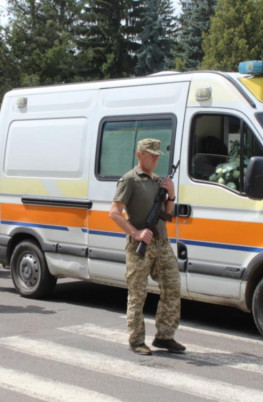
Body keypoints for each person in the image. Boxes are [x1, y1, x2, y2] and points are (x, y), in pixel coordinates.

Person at [108, 138, 185, 355]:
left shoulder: (159, 181)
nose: (155, 159)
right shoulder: (129, 180)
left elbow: (167, 214)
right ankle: (137, 340)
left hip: (161, 243)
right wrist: (136, 233)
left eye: (157, 156)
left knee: (172, 287)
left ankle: (165, 336)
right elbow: (114, 213)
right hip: (139, 246)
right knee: (138, 294)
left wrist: (171, 194)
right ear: (139, 155)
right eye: (151, 155)